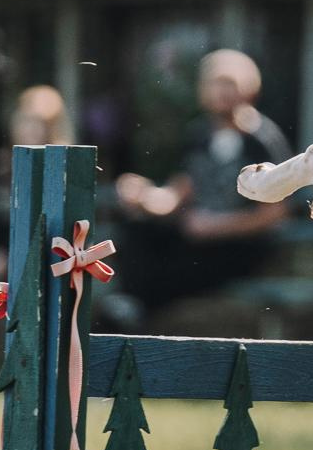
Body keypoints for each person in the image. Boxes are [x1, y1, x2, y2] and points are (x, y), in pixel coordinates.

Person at [111, 49, 294, 322]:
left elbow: (276, 213)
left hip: (240, 244)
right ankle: (130, 308)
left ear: (250, 89)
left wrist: (217, 226)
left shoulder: (262, 140)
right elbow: (181, 190)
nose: (221, 92)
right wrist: (144, 196)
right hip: (201, 236)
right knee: (136, 230)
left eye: (229, 83)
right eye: (214, 83)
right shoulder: (199, 135)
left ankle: (135, 317)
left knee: (171, 272)